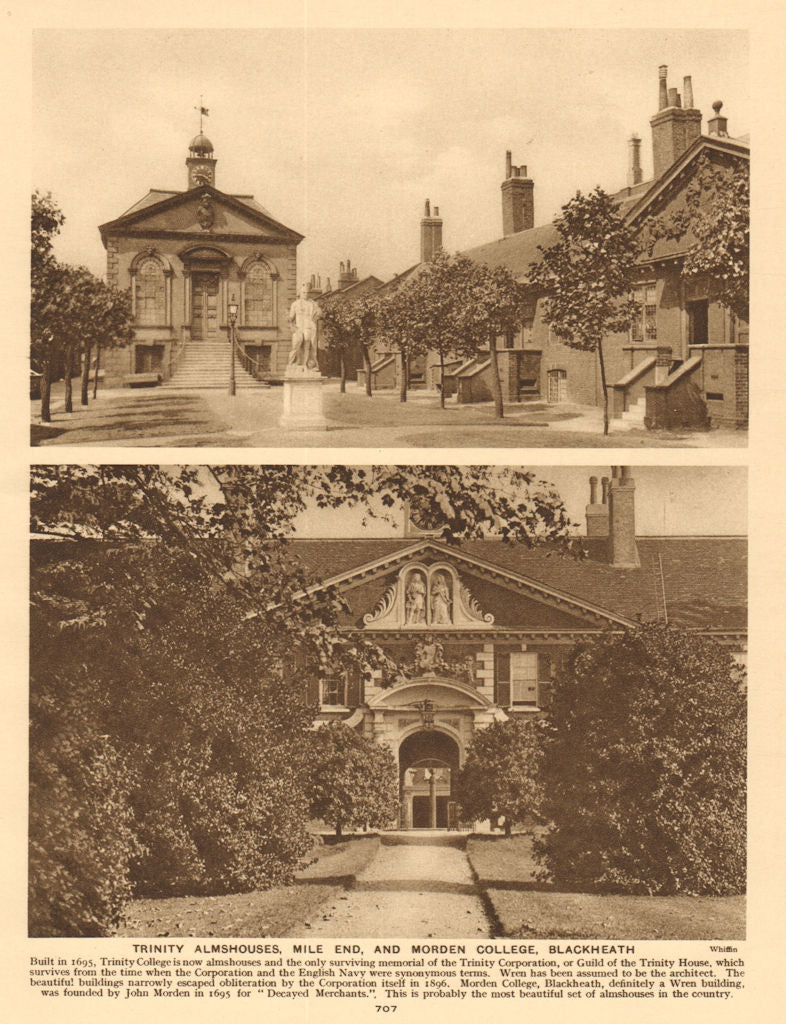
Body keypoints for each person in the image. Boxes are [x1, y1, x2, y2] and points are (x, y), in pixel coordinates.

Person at [287, 282, 322, 369]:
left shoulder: (313, 303)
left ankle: (306, 364)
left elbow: (319, 313)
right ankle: (292, 363)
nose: (305, 294)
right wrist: (291, 324)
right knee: (296, 343)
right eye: (303, 292)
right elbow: (291, 317)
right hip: (299, 327)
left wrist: (318, 313)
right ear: (300, 293)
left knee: (308, 344)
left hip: (309, 327)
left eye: (307, 292)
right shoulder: (295, 304)